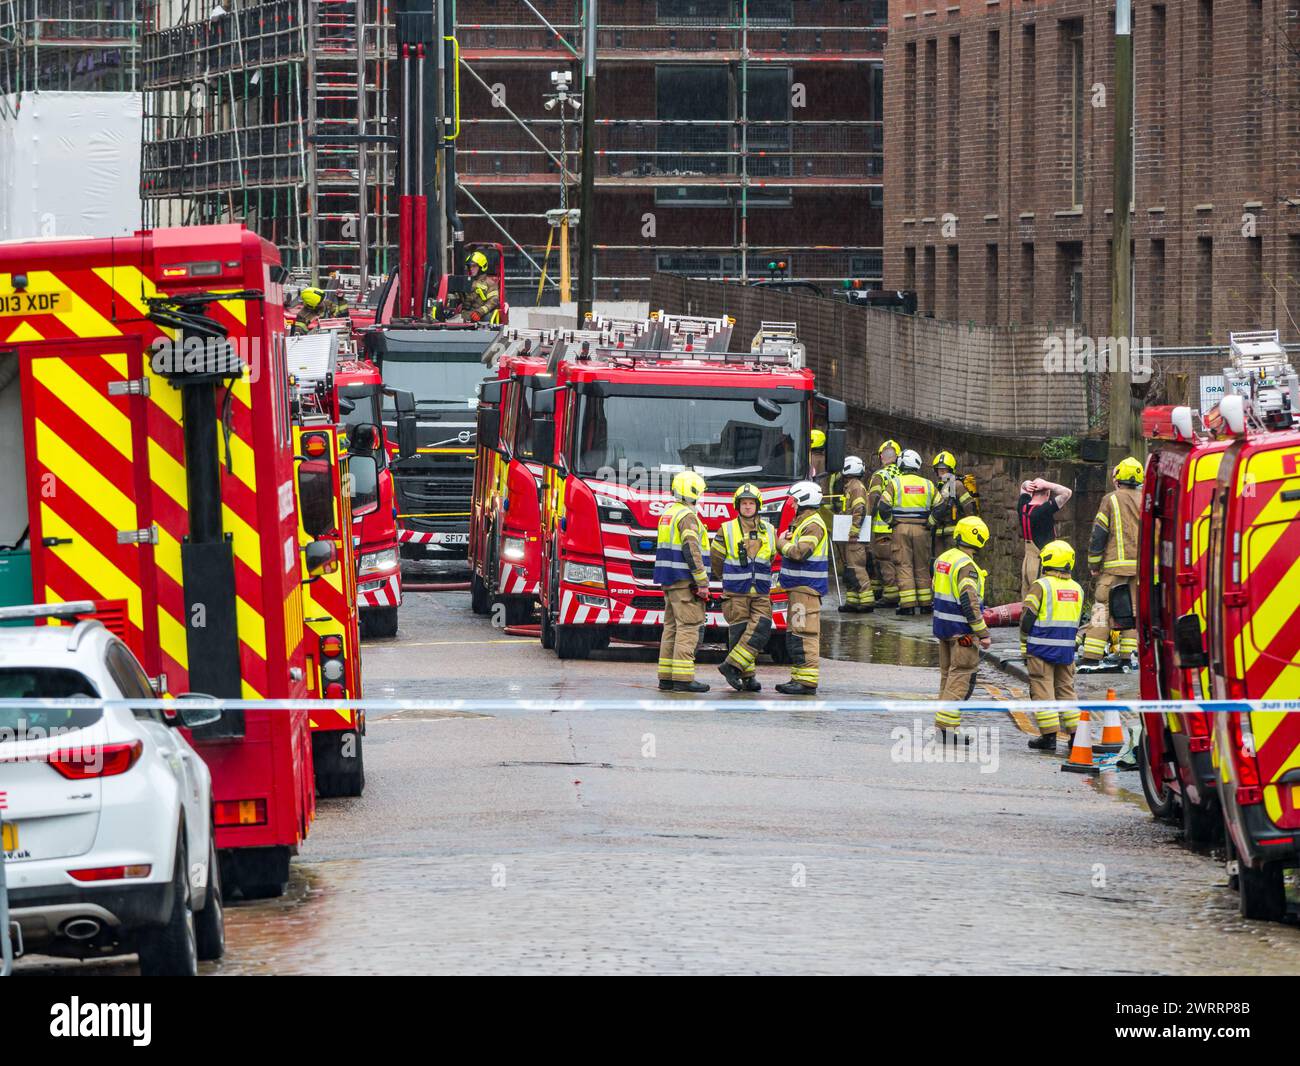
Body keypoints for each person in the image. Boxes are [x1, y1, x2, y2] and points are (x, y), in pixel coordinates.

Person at [1079, 457, 1144, 670]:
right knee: (1131, 611)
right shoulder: (1146, 499)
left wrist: (1094, 564)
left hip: (1114, 568)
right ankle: (1127, 657)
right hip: (1140, 568)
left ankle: (1091, 656)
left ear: (1118, 478)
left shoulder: (1111, 499)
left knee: (1101, 609)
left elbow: (1099, 533)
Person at [711, 483, 777, 691]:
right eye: (744, 503)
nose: (747, 507)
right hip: (736, 591)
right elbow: (716, 559)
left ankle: (731, 666)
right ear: (737, 506)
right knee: (740, 633)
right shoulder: (727, 528)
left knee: (761, 629)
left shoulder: (769, 530)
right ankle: (747, 677)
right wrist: (728, 578)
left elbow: (772, 556)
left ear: (758, 506)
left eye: (751, 503)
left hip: (761, 590)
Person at [1020, 540, 1083, 750]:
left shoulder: (1041, 585)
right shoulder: (1077, 589)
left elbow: (1027, 618)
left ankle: (1049, 738)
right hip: (1066, 651)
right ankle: (1076, 737)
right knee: (1066, 690)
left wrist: (1023, 644)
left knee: (1043, 691)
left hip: (1040, 649)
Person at [932, 516, 991, 738]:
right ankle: (948, 728)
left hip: (943, 626)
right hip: (962, 632)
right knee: (960, 677)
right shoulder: (968, 566)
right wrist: (982, 633)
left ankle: (942, 725)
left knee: (948, 676)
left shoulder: (944, 558)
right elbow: (969, 601)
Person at [654, 470, 712, 692]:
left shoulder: (668, 514)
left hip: (669, 581)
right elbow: (691, 549)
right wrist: (702, 582)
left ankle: (666, 677)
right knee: (689, 628)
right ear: (693, 492)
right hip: (685, 582)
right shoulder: (687, 517)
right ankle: (683, 678)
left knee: (671, 628)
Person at [774, 480, 830, 696]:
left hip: (806, 590)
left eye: (795, 501)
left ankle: (806, 682)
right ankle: (798, 678)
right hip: (799, 590)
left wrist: (781, 544)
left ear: (804, 500)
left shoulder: (813, 524)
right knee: (796, 634)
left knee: (804, 634)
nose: (793, 505)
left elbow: (800, 552)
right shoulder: (804, 523)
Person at [880, 449, 936, 615]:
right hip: (922, 530)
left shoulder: (895, 483)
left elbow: (883, 506)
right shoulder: (928, 484)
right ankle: (926, 604)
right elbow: (941, 506)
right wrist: (930, 522)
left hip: (901, 528)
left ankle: (908, 605)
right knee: (922, 566)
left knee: (904, 565)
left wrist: (892, 522)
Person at [1017, 476, 1072, 597]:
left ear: (1032, 493)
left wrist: (1026, 483)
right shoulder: (1044, 510)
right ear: (1047, 494)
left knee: (1027, 599)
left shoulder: (1023, 506)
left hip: (1027, 563)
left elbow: (1023, 489)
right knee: (1040, 599)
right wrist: (1047, 484)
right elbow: (1067, 493)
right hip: (1041, 564)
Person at [866, 439, 902, 607]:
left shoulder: (880, 475)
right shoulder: (903, 475)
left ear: (881, 456)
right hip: (900, 526)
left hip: (882, 527)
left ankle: (890, 594)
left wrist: (865, 520)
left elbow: (872, 500)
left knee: (883, 559)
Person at [837, 455, 874, 613]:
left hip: (855, 536)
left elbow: (860, 510)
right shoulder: (851, 486)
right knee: (849, 569)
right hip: (850, 535)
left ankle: (867, 601)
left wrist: (854, 531)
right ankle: (852, 601)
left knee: (856, 567)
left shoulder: (856, 487)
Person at [930, 450, 978, 550]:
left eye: (944, 469)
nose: (941, 472)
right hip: (939, 534)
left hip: (953, 535)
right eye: (939, 469)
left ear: (950, 470)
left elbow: (969, 508)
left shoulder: (956, 485)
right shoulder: (939, 487)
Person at [447, 250, 500, 323]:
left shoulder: (490, 283)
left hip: (481, 317)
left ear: (482, 267)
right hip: (464, 315)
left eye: (474, 266)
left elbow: (493, 301)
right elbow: (459, 299)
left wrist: (479, 312)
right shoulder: (466, 281)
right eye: (470, 266)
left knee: (487, 318)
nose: (471, 269)